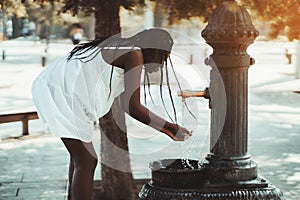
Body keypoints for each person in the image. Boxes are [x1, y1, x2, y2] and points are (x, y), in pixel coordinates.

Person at [31, 28, 192, 200]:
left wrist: (168, 130)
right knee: (86, 161)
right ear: (155, 50)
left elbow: (126, 104)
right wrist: (170, 128)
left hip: (56, 86)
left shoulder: (125, 50)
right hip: (63, 91)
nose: (161, 64)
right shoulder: (133, 54)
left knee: (81, 160)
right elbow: (133, 107)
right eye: (163, 57)